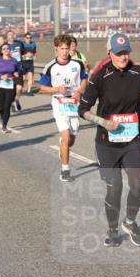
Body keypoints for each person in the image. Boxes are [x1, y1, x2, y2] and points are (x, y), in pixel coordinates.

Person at [78, 33, 140, 247]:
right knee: (115, 188)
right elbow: (83, 110)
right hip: (107, 142)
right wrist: (103, 122)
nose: (123, 57)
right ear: (109, 52)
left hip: (132, 139)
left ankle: (130, 222)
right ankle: (112, 230)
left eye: (126, 52)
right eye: (118, 53)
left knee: (138, 184)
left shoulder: (139, 72)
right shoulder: (100, 76)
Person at [39, 34, 88, 182]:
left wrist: (79, 91)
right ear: (56, 48)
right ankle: (65, 170)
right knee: (66, 136)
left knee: (71, 139)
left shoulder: (78, 64)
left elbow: (84, 79)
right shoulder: (50, 67)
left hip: (74, 103)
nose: (65, 51)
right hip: (59, 102)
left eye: (67, 48)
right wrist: (56, 89)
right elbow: (42, 88)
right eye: (62, 48)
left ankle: (64, 146)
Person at [0, 44, 24, 133]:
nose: (6, 50)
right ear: (1, 51)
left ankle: (4, 126)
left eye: (7, 48)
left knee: (7, 106)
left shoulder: (14, 61)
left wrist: (16, 73)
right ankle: (1, 115)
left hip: (10, 85)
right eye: (4, 48)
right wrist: (0, 76)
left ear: (10, 50)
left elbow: (20, 70)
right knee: (1, 106)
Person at [4, 30, 25, 111]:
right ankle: (12, 103)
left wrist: (24, 56)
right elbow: (0, 57)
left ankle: (16, 99)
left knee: (19, 88)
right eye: (9, 35)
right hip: (8, 70)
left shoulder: (19, 43)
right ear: (7, 36)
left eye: (12, 34)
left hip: (19, 68)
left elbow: (23, 52)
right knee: (10, 89)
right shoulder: (4, 46)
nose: (11, 36)